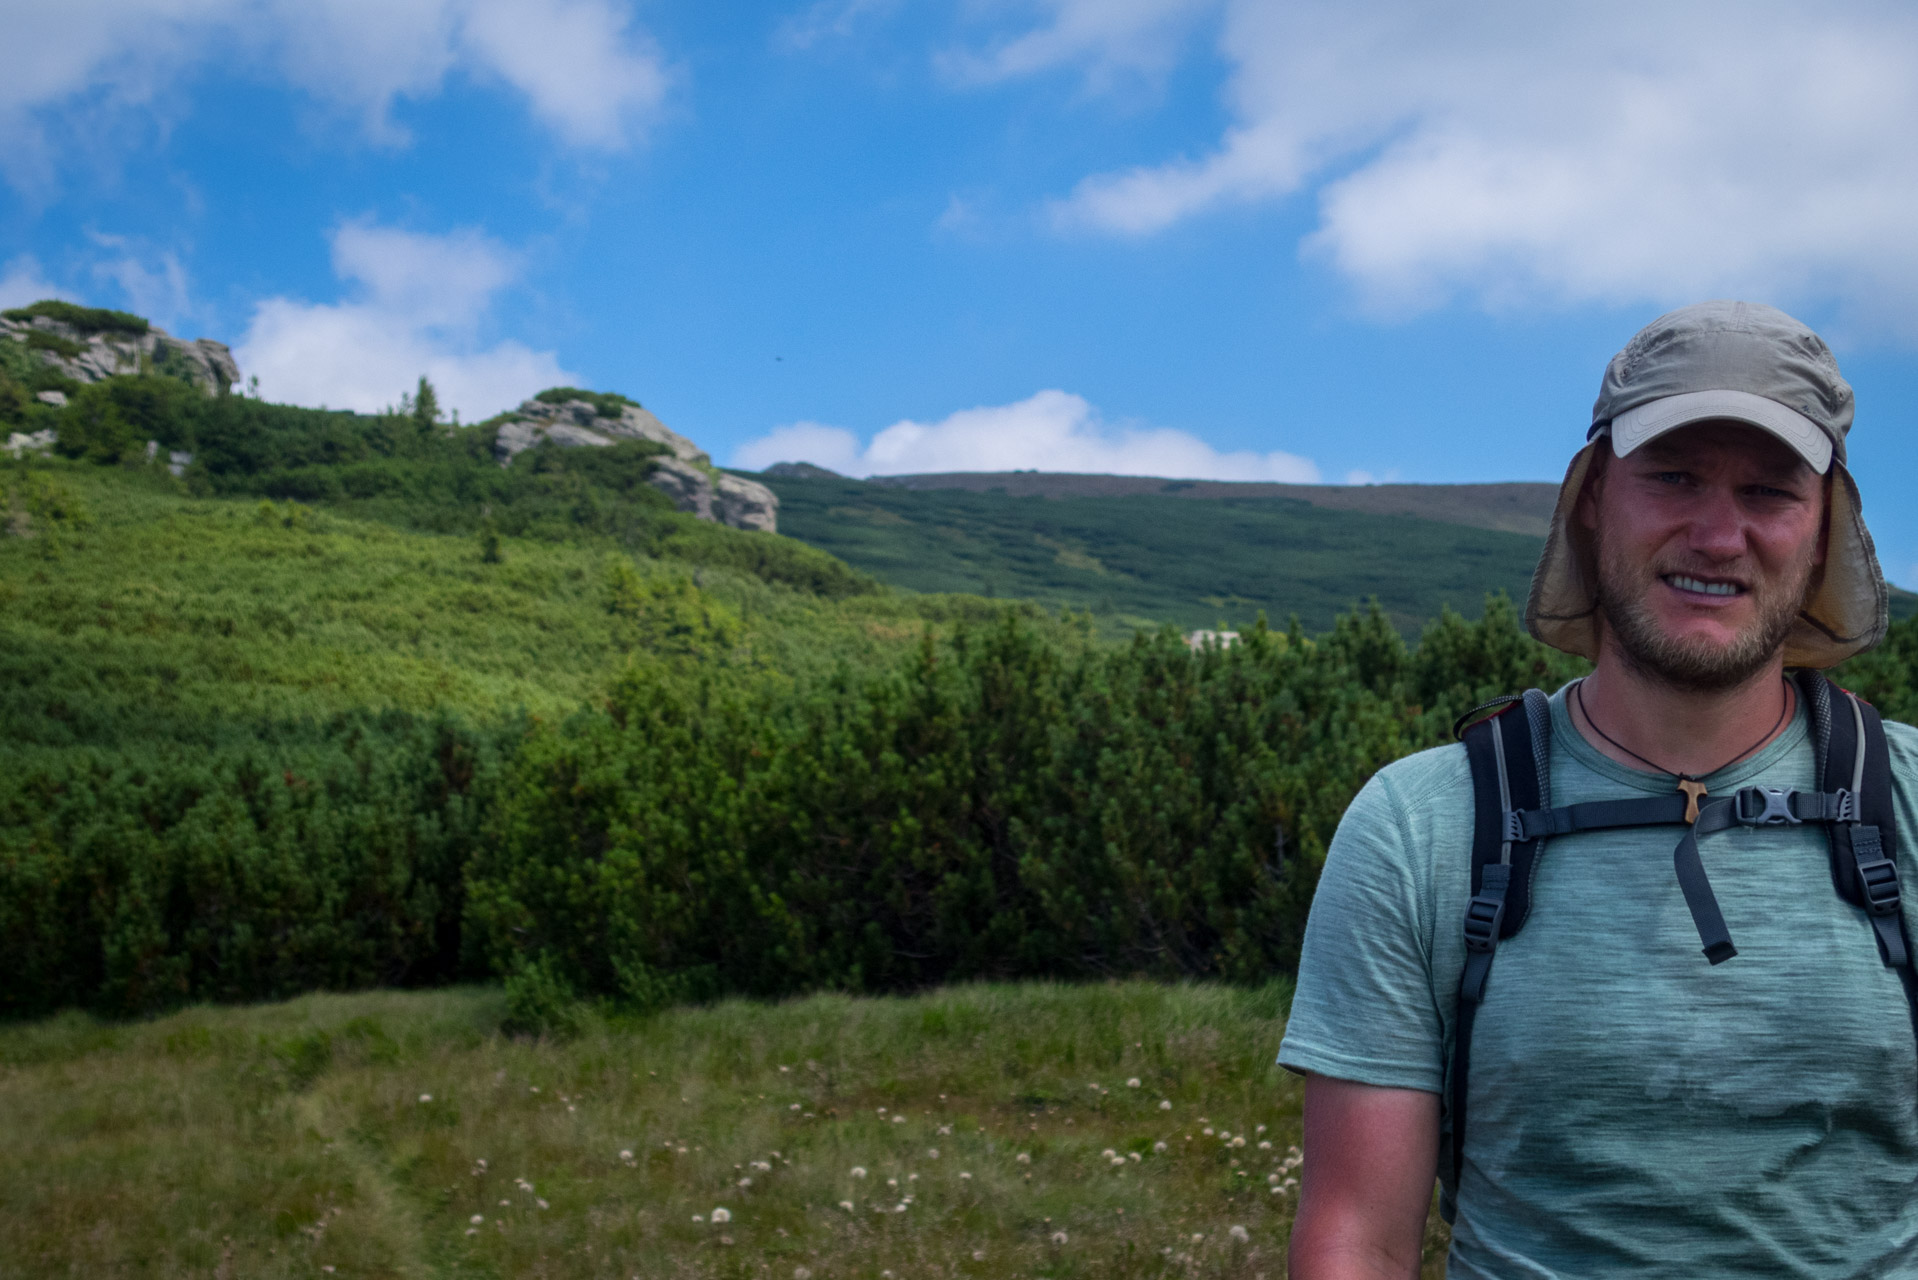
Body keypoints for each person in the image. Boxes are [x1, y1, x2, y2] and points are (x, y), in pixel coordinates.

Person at [1279, 300, 1918, 1278]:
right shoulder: (1421, 826)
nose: (1716, 533)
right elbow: (1356, 1241)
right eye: (1671, 476)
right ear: (1588, 500)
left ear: (1825, 531)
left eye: (1768, 491)